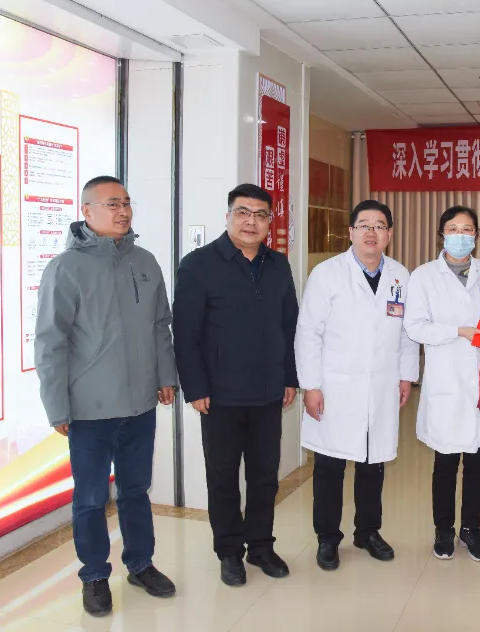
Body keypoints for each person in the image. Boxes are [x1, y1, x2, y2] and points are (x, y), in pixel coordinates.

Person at [35, 175, 177, 617]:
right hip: (90, 410)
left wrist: (165, 376)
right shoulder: (65, 268)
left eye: (127, 203)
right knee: (92, 497)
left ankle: (140, 564)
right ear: (87, 211)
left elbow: (160, 325)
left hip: (140, 404)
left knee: (136, 490)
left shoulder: (144, 261)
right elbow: (50, 342)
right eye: (112, 203)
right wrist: (57, 406)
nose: (123, 211)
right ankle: (94, 574)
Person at [172, 183, 299, 587]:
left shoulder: (278, 265)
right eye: (242, 212)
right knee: (223, 477)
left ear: (269, 222)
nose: (251, 222)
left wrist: (290, 377)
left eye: (260, 215)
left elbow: (289, 325)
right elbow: (185, 333)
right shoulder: (198, 265)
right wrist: (195, 388)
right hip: (220, 396)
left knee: (264, 476)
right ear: (227, 216)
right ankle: (229, 551)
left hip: (268, 392)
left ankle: (260, 546)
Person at [295, 200, 420, 571]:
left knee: (373, 464)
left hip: (381, 386)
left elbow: (407, 334)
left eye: (379, 226)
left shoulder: (400, 276)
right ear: (350, 232)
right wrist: (311, 385)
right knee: (330, 467)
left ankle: (367, 532)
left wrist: (406, 375)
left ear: (389, 234)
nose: (371, 232)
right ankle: (327, 538)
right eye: (364, 225)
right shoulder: (327, 274)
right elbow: (308, 332)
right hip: (335, 388)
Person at [404, 205, 480, 563]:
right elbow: (415, 327)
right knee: (446, 462)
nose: (460, 235)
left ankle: (471, 529)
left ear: (477, 236)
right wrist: (459, 331)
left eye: (467, 230)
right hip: (447, 381)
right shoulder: (424, 276)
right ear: (441, 234)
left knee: (479, 463)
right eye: (453, 229)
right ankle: (443, 529)